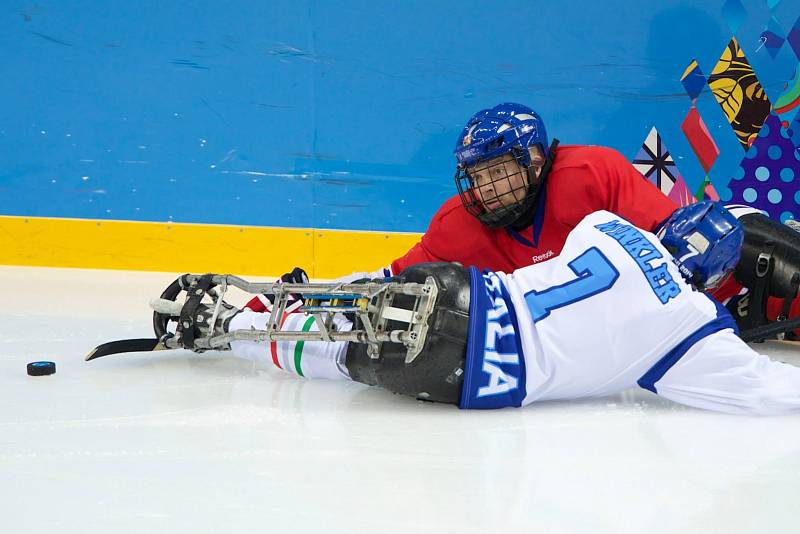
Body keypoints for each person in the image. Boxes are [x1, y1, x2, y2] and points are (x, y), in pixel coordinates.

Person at [169, 202, 800, 415]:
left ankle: (237, 313)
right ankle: (245, 337)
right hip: (482, 368)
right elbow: (769, 393)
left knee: (356, 304)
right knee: (344, 356)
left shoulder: (607, 225)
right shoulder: (690, 329)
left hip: (467, 289)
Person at [257, 103, 800, 340]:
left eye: (500, 171)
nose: (488, 190)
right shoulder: (455, 226)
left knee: (756, 244)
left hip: (681, 303)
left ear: (536, 161)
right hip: (591, 338)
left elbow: (673, 243)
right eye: (477, 176)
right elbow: (389, 280)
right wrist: (298, 299)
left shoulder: (591, 173)